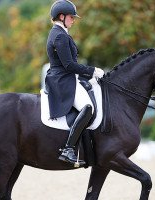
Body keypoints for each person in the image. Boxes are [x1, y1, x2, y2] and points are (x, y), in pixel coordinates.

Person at [45, 0, 104, 166]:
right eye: (71, 17)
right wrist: (92, 71)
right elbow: (69, 65)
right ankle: (68, 149)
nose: (73, 20)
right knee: (88, 107)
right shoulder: (60, 36)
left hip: (65, 76)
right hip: (63, 80)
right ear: (62, 16)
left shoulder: (59, 33)